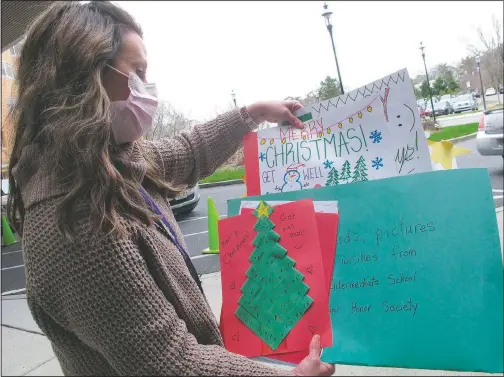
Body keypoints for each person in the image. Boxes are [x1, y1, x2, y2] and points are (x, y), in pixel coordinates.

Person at [7, 2, 335, 376]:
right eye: (138, 73)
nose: (147, 90)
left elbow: (188, 150)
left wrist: (252, 114)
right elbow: (172, 363)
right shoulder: (78, 221)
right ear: (86, 77)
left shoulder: (107, 164)